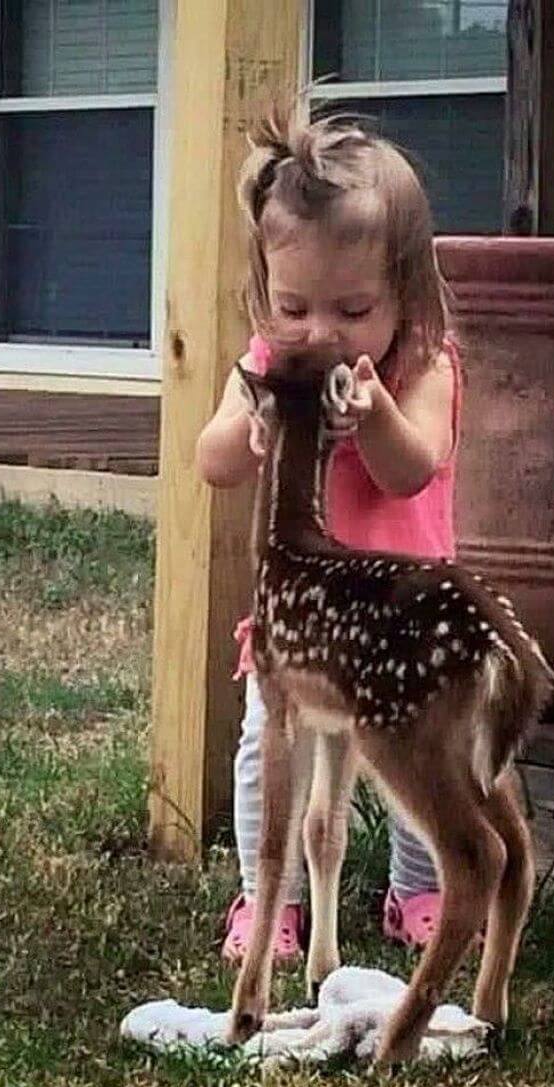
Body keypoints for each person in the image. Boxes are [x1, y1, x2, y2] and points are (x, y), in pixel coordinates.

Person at [195, 107, 464, 965]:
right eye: (294, 306)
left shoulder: (425, 366)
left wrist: (375, 412)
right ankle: (268, 898)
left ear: (405, 296)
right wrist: (254, 432)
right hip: (303, 620)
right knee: (265, 748)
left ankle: (418, 889)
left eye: (352, 308)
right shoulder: (272, 367)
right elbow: (212, 460)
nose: (320, 333)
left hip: (400, 614)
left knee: (419, 756)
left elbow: (412, 467)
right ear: (265, 296)